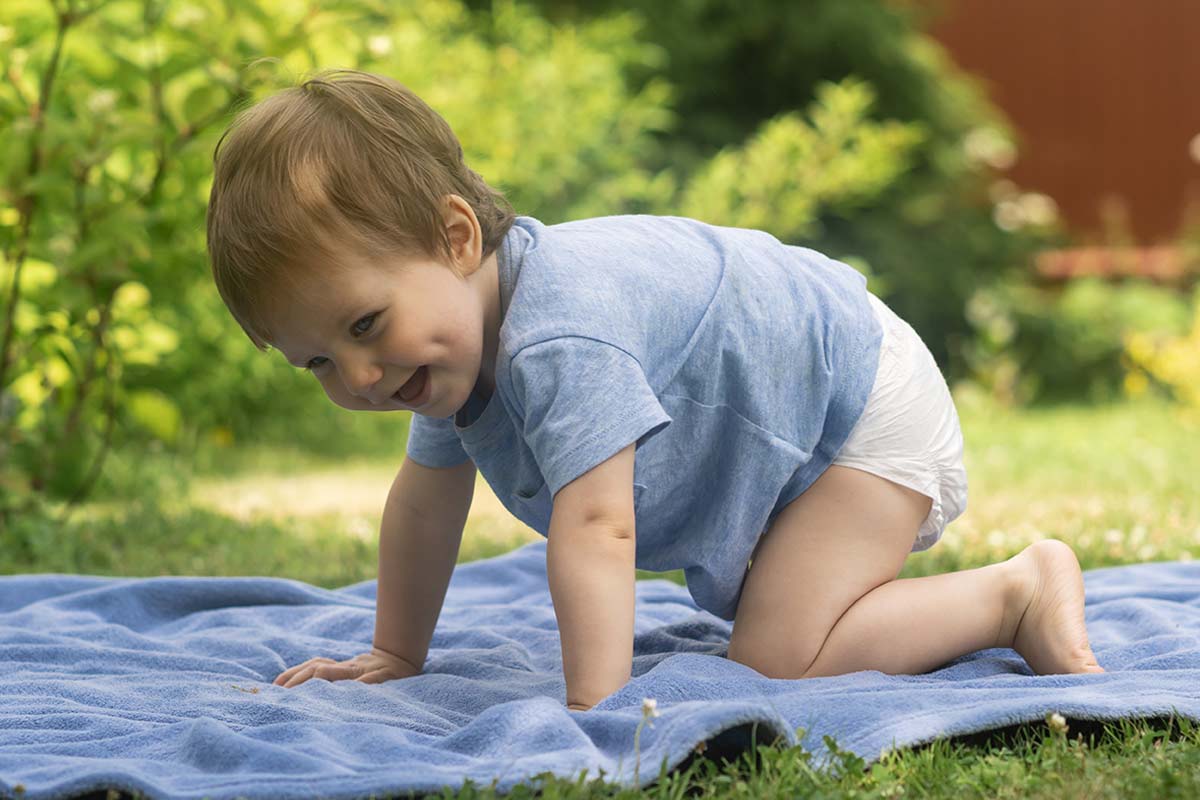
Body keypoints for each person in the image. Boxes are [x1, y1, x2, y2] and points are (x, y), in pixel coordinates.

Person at [205, 70, 1104, 711]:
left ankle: (1013, 593)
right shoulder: (445, 347)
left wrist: (598, 709)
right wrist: (397, 651)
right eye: (316, 362)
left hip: (856, 408)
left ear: (454, 238)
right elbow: (424, 505)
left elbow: (598, 524)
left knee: (780, 660)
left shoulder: (559, 335)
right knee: (778, 627)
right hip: (801, 408)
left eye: (362, 327)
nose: (359, 378)